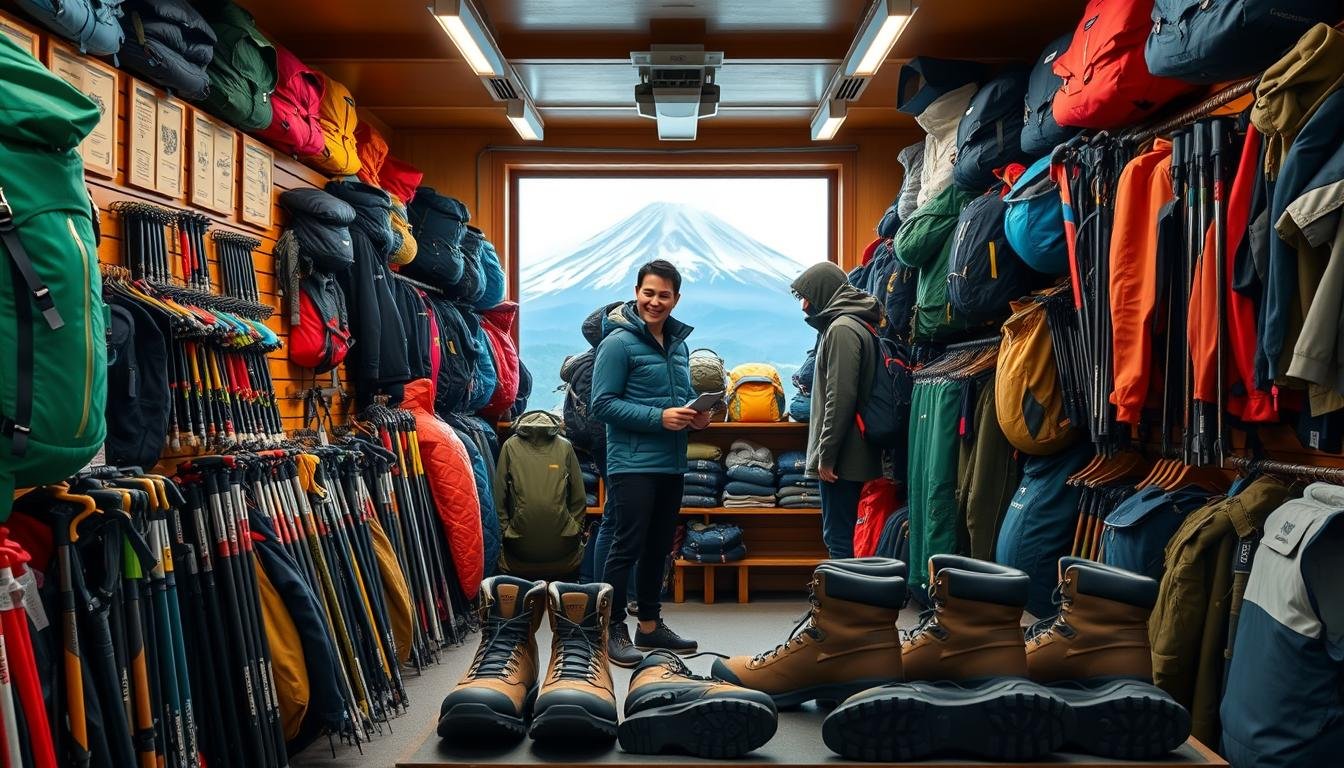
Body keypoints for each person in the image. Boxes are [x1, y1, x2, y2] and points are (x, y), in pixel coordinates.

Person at [591, 259, 708, 667]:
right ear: (637, 292)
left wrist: (697, 415)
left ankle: (650, 624)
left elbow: (683, 396)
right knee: (627, 546)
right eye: (648, 293)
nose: (655, 302)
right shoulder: (618, 343)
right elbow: (601, 404)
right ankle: (611, 627)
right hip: (631, 463)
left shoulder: (679, 345)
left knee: (659, 547)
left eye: (664, 295)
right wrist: (659, 418)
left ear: (676, 299)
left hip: (670, 462)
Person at [790, 262, 883, 558]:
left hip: (844, 456)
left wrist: (826, 455)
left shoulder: (842, 329)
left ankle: (841, 604)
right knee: (845, 536)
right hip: (852, 451)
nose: (804, 306)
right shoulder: (854, 323)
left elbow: (839, 397)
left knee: (839, 539)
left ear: (822, 292)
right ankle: (844, 602)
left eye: (807, 296)